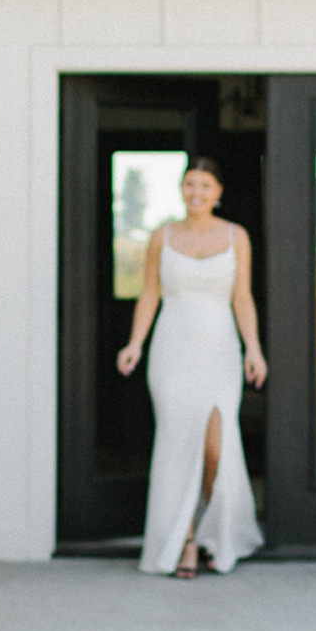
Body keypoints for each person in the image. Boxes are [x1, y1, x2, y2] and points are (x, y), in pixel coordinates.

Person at [117, 158, 265, 577]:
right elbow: (149, 294)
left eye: (204, 185)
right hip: (171, 351)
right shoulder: (161, 237)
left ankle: (214, 530)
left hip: (220, 350)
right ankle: (185, 541)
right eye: (189, 184)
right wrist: (135, 343)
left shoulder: (237, 237)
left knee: (217, 447)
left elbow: (242, 298)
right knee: (177, 444)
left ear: (218, 192)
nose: (195, 192)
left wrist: (253, 348)